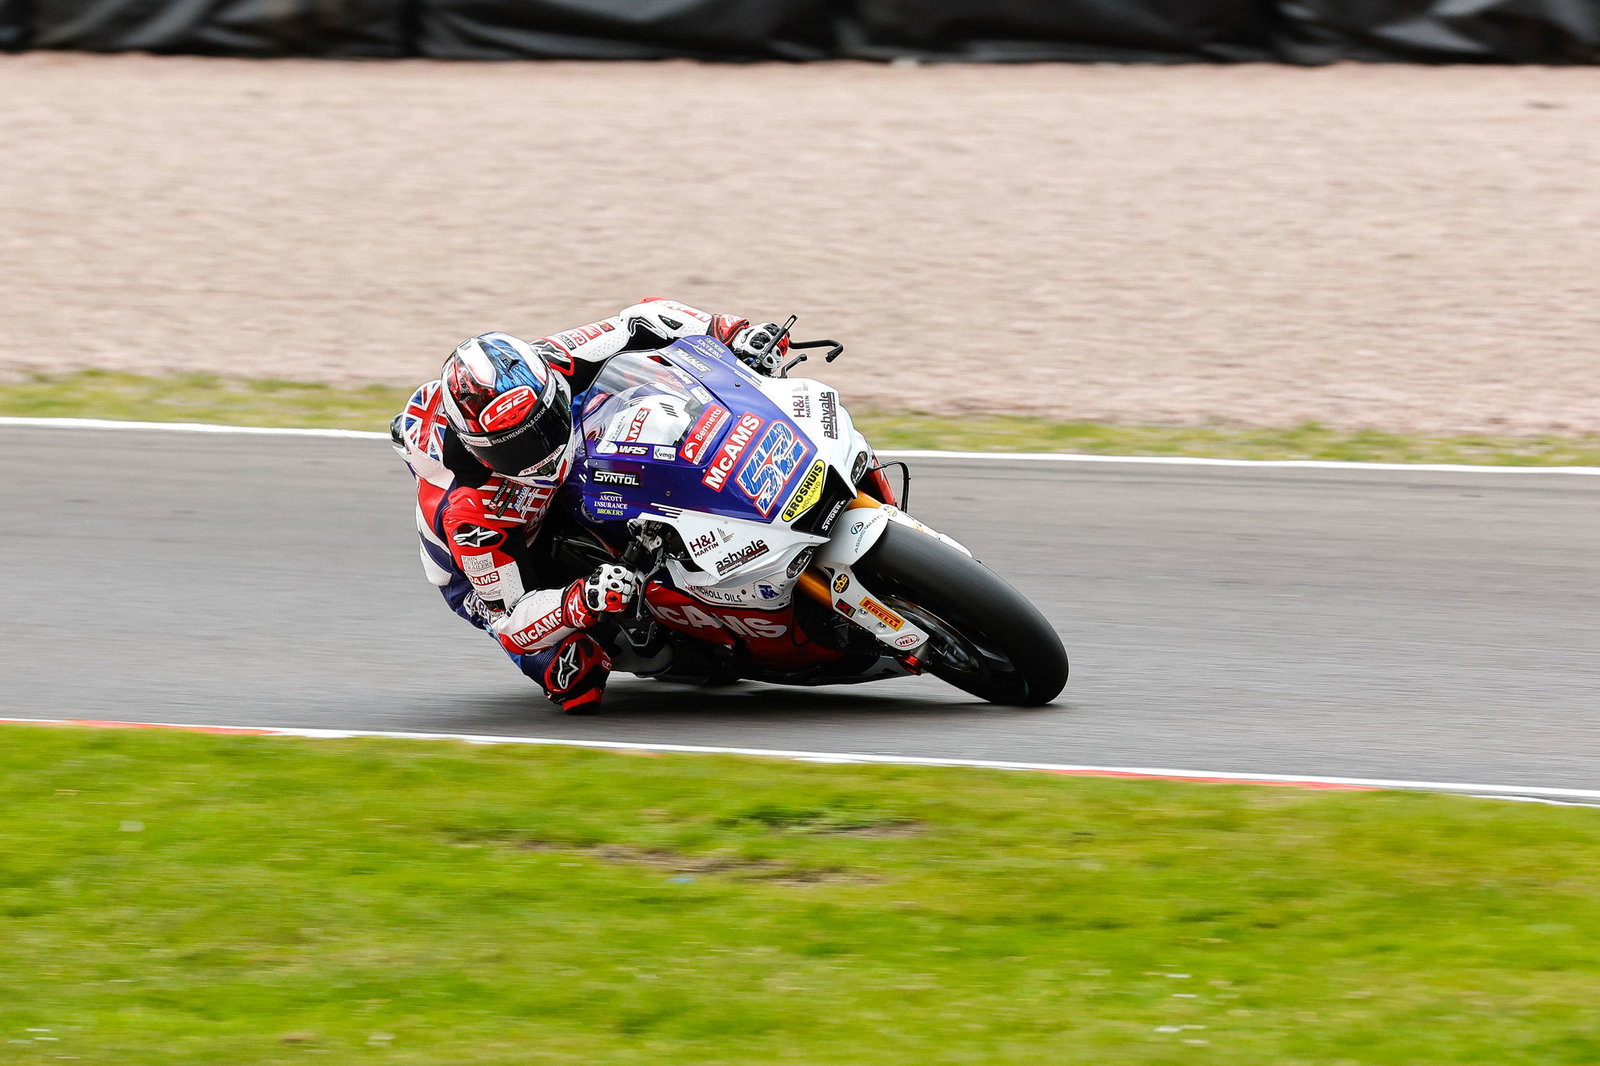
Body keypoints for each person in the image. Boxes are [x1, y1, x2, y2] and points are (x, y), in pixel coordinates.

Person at [390, 299, 790, 713]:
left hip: (572, 478)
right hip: (501, 558)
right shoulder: (468, 511)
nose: (542, 452)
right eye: (518, 448)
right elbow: (513, 622)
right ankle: (665, 641)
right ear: (480, 451)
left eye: (544, 426)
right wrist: (583, 599)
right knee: (578, 680)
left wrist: (730, 332)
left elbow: (645, 319)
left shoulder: (555, 360)